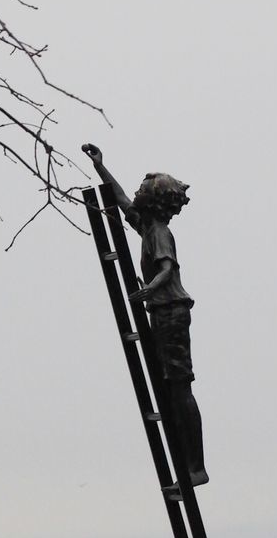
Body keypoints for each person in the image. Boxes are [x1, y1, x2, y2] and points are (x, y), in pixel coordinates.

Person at [82, 144, 208, 487]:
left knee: (179, 386)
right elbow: (120, 199)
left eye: (142, 190)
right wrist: (101, 168)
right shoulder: (145, 227)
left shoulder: (160, 234)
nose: (135, 193)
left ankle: (196, 464)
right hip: (160, 311)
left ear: (153, 200)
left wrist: (149, 289)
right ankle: (185, 454)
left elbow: (168, 269)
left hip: (171, 311)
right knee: (168, 385)